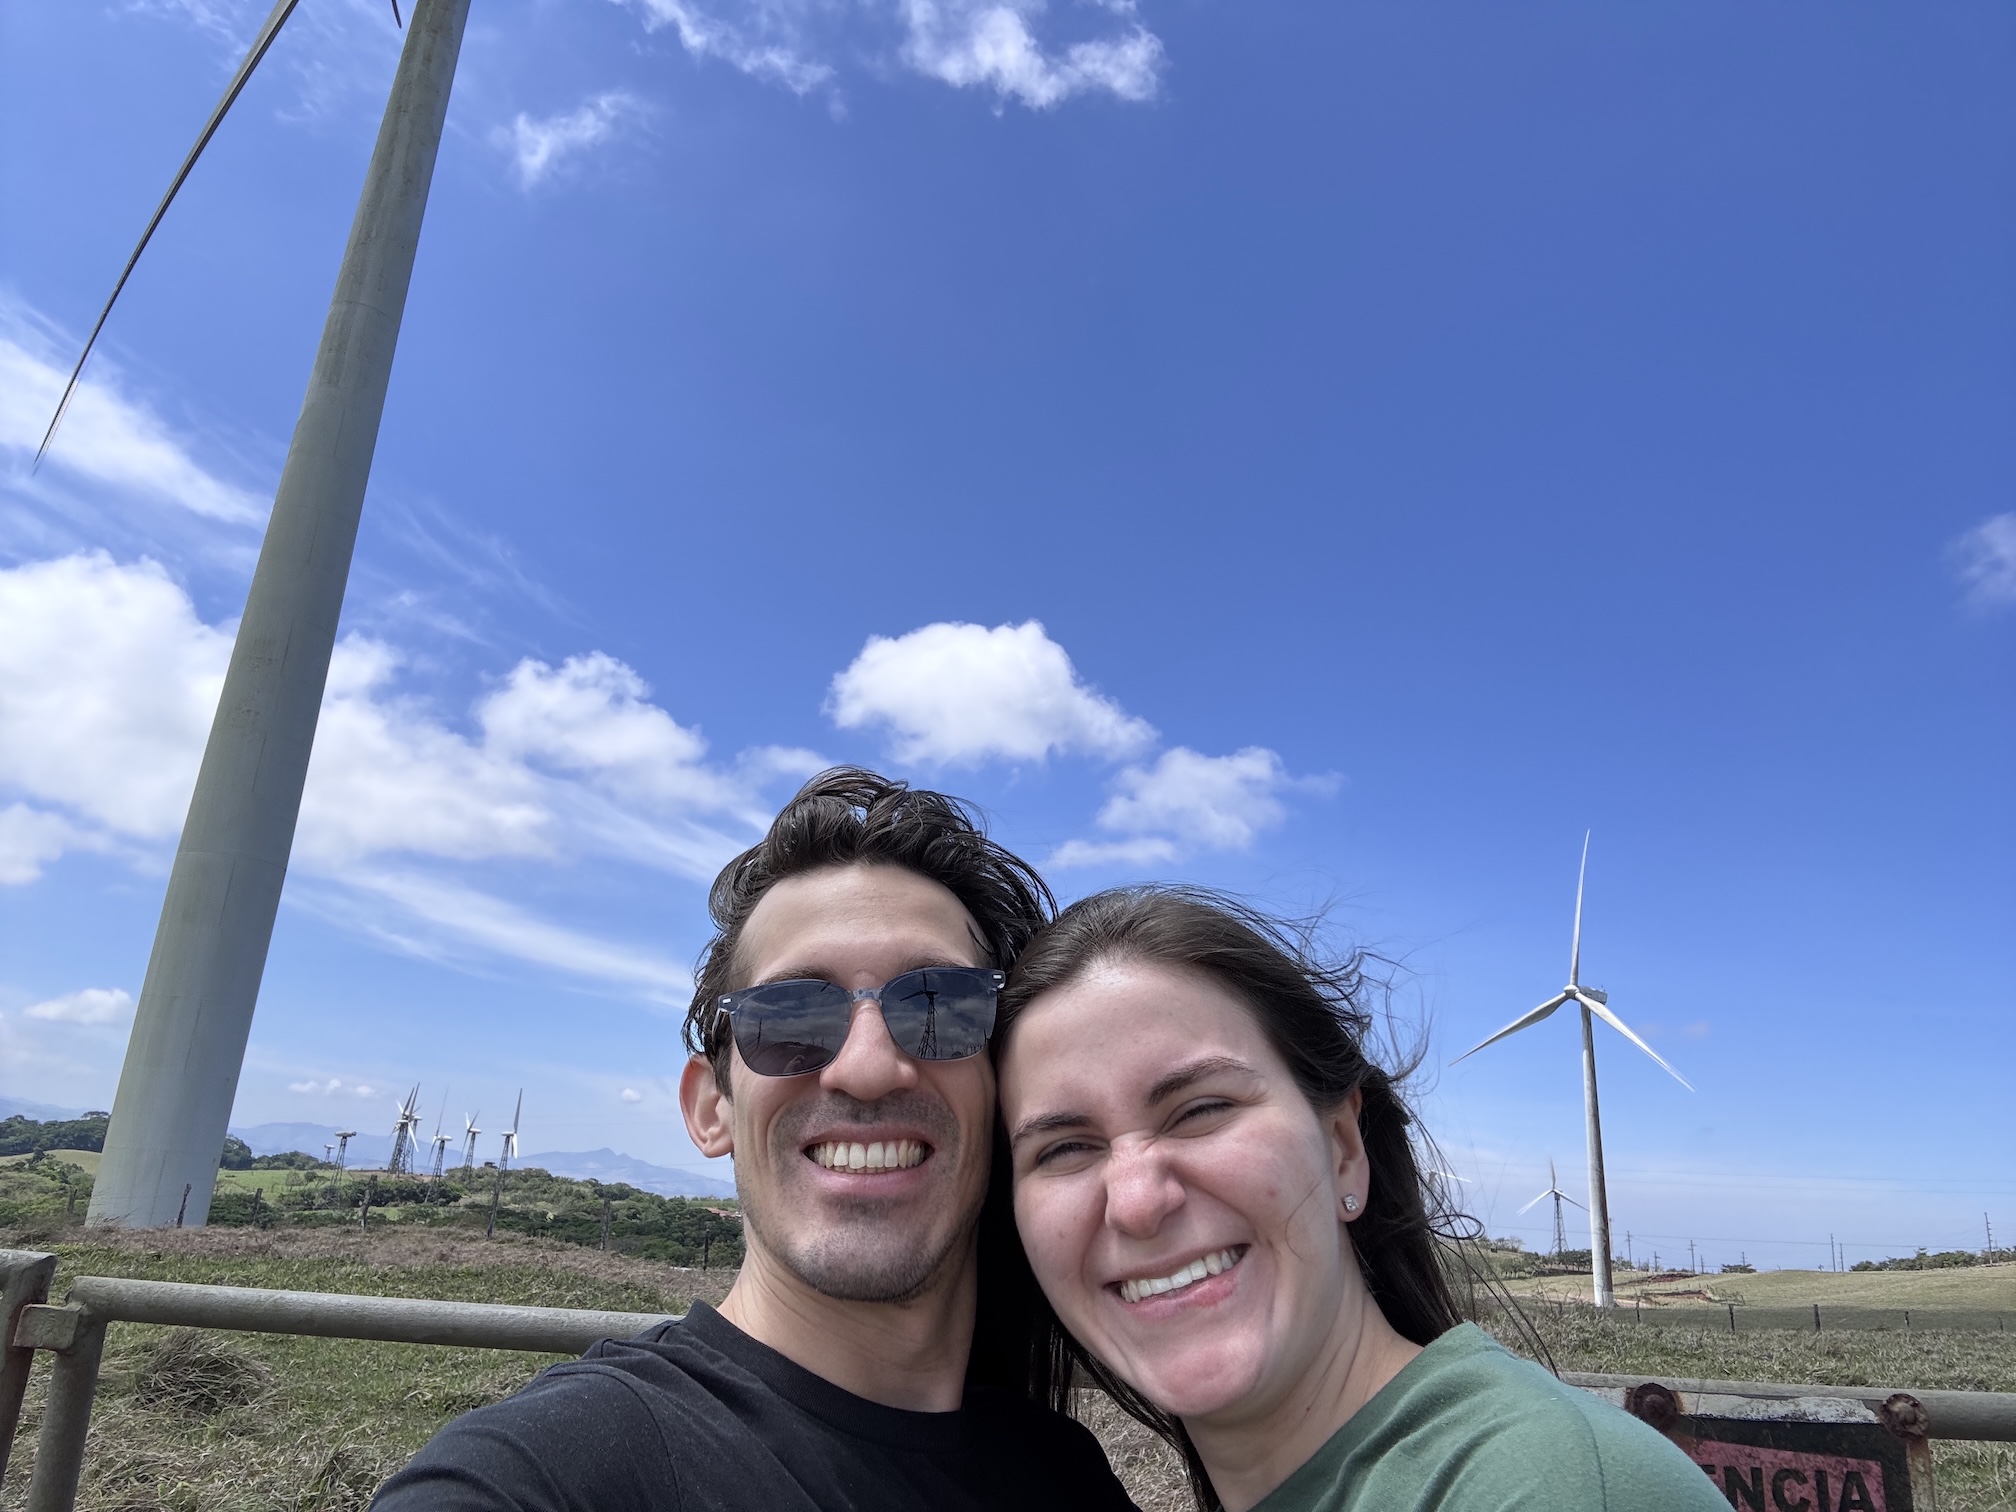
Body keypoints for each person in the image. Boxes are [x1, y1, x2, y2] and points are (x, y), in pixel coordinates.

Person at [374, 768, 1137, 1512]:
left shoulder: (1065, 1473)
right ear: (711, 1107)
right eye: (790, 1016)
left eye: (939, 1009)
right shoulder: (552, 1472)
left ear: (1007, 1093)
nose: (867, 1068)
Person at [993, 885, 1728, 1512]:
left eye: (1201, 1109)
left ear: (1345, 1148)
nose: (1136, 1201)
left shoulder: (1548, 1489)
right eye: (1063, 1149)